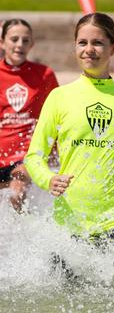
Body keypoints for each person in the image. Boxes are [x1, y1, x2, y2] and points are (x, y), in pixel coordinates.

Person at [24, 13, 114, 246]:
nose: (89, 49)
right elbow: (34, 156)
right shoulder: (59, 97)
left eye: (98, 43)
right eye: (82, 42)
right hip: (71, 217)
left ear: (113, 48)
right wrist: (49, 179)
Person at [0, 19, 58, 212]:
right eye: (14, 39)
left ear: (32, 44)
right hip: (1, 151)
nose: (19, 45)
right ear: (2, 42)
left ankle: (23, 239)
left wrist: (55, 152)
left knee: (16, 193)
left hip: (26, 154)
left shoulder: (44, 75)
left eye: (25, 40)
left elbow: (56, 116)